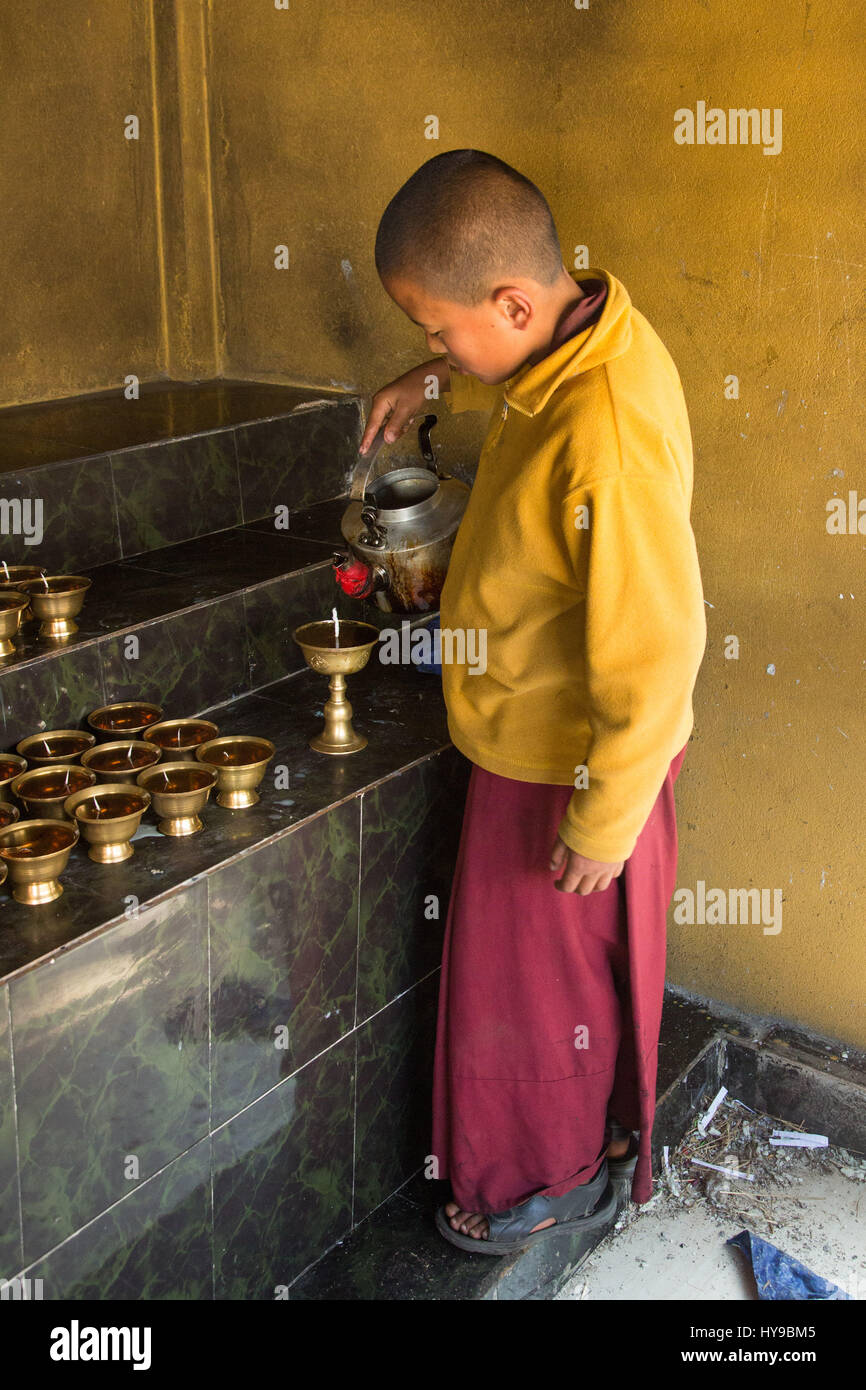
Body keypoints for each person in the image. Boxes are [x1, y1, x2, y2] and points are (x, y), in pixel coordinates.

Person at [359, 149, 707, 1255]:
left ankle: (537, 1184)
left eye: (437, 332)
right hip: (544, 742)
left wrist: (603, 817)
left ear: (510, 302)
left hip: (567, 766)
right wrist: (436, 382)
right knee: (563, 977)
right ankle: (580, 1147)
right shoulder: (576, 333)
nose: (434, 350)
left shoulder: (596, 430)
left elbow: (658, 646)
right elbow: (515, 342)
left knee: (527, 1004)